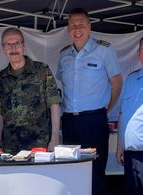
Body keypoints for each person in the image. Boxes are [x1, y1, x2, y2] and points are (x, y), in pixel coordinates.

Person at [56, 8, 123, 195]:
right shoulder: (64, 55)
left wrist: (107, 108)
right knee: (71, 170)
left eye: (81, 25)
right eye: (72, 26)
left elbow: (117, 82)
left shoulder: (104, 50)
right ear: (68, 29)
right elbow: (61, 84)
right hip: (69, 121)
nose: (77, 30)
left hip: (94, 121)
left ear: (89, 26)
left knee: (95, 173)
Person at [0, 27, 62, 154]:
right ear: (3, 49)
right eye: (9, 45)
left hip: (40, 145)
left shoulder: (42, 70)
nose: (14, 49)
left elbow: (54, 105)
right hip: (11, 149)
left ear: (24, 46)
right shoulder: (0, 78)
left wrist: (55, 138)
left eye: (17, 43)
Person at [116, 37, 143, 195]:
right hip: (131, 156)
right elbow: (122, 115)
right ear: (139, 54)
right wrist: (120, 145)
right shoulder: (130, 80)